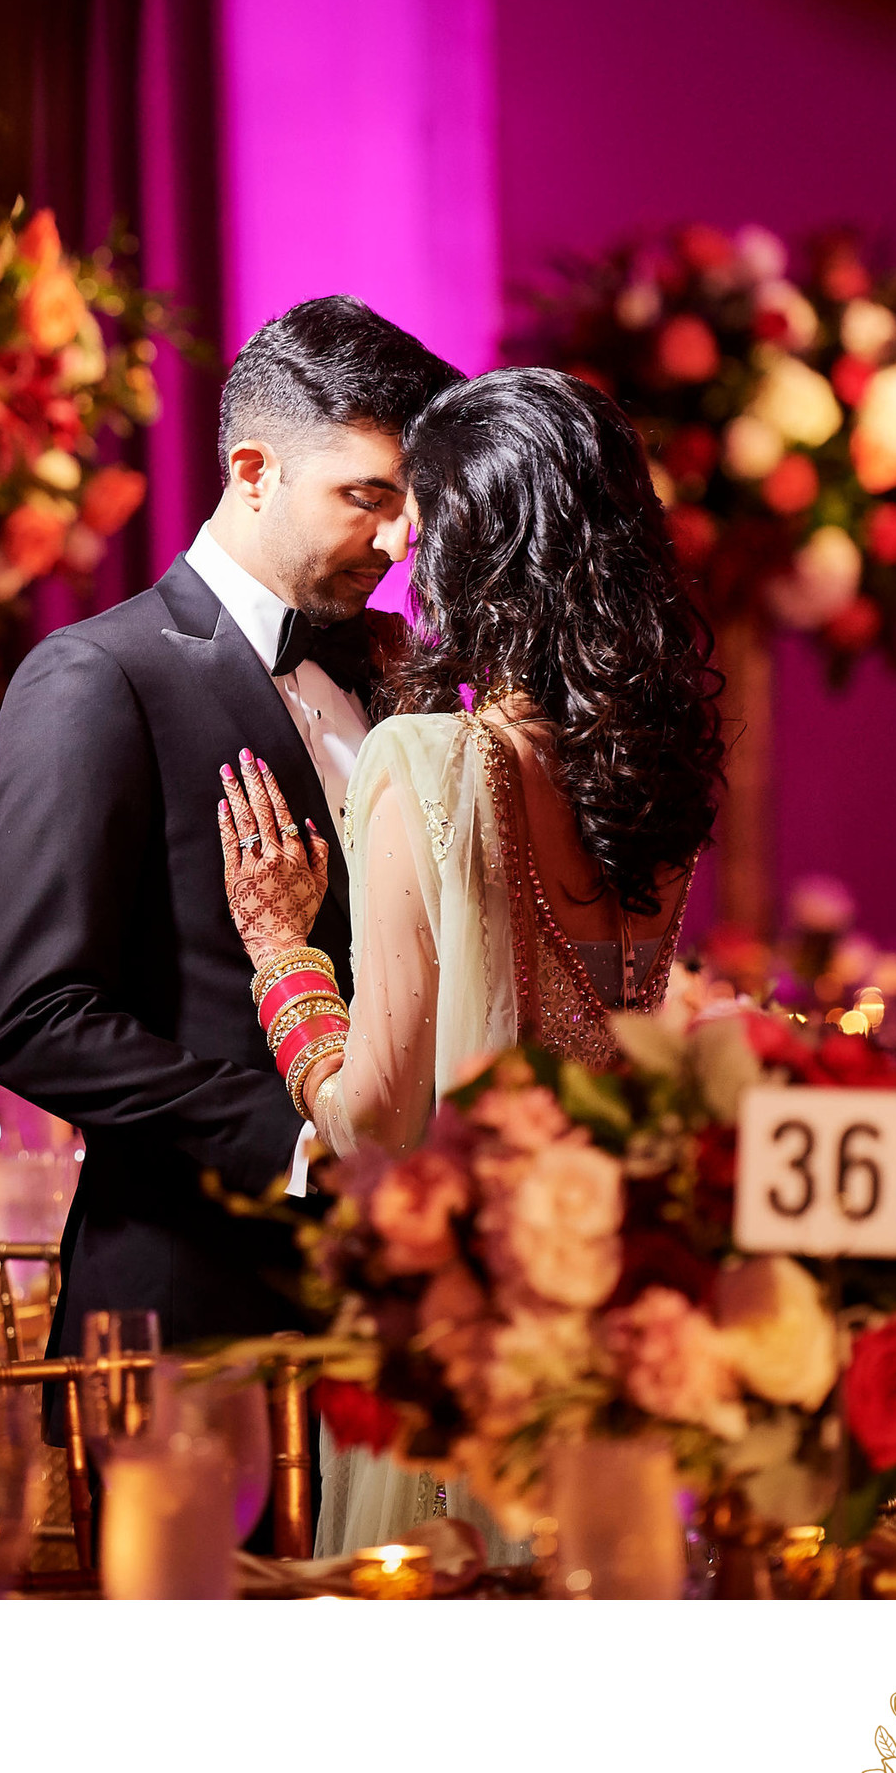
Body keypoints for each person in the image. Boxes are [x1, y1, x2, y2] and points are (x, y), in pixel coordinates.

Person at [215, 367, 724, 1552]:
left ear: (481, 542)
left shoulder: (431, 763)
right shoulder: (656, 782)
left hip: (479, 1347)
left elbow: (378, 1116)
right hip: (621, 1319)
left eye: (424, 515)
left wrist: (283, 960)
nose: (402, 542)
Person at [0, 297, 461, 1523]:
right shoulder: (95, 676)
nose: (397, 536)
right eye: (366, 495)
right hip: (194, 1310)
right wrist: (301, 1143)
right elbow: (40, 1015)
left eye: (409, 503)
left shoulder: (392, 664)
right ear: (252, 470)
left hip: (399, 1320)